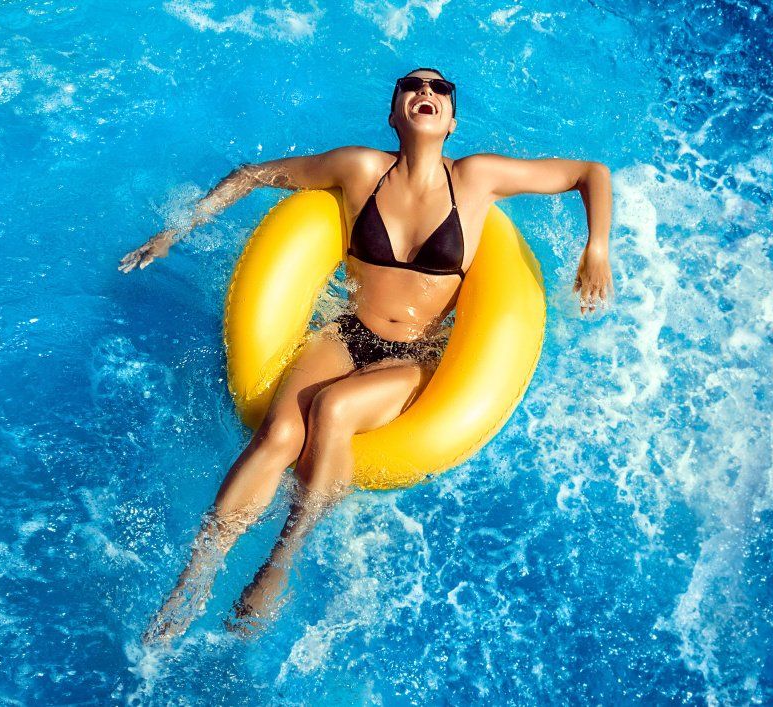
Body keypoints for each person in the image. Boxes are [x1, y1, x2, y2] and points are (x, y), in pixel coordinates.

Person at [120, 68, 614, 644]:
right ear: (394, 113)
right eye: (412, 87)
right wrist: (173, 232)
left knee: (332, 411)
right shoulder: (358, 169)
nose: (425, 93)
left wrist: (596, 248)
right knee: (279, 433)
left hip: (414, 355)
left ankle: (278, 565)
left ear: (452, 121)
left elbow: (590, 173)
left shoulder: (478, 179)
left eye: (439, 90)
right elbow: (251, 175)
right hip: (348, 332)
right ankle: (191, 583)